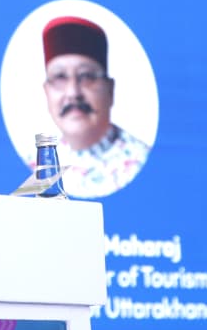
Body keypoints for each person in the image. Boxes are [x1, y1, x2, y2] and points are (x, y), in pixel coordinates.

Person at [34, 16, 150, 198]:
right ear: (46, 91)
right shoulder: (38, 166)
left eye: (87, 76)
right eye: (60, 77)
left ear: (110, 89)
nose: (73, 92)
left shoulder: (140, 160)